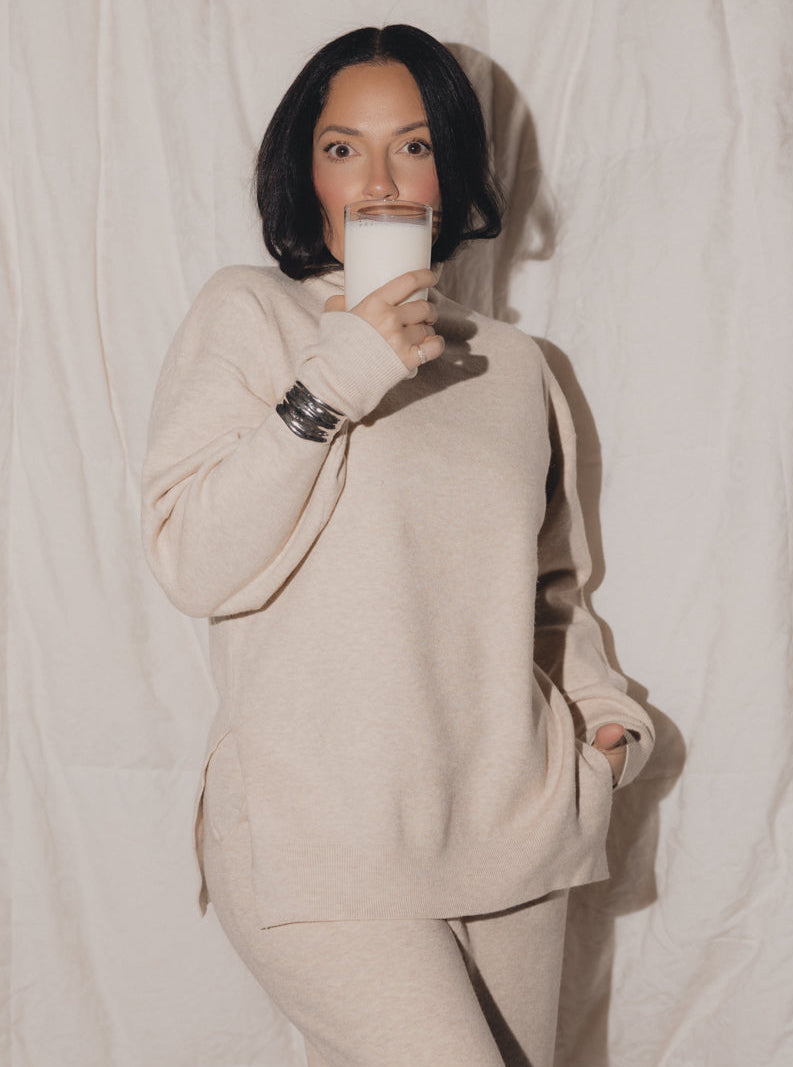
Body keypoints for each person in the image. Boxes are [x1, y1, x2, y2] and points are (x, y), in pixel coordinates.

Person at [141, 24, 654, 1067]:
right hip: (315, 831)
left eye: (411, 145)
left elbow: (552, 591)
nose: (376, 181)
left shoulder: (514, 364)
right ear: (307, 173)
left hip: (510, 825)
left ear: (448, 168)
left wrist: (604, 733)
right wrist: (341, 372)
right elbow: (192, 558)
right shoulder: (253, 313)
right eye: (343, 148)